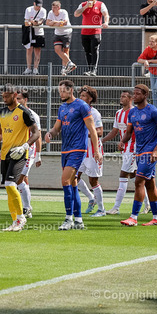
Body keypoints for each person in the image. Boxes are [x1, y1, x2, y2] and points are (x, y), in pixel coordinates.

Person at [44, 80, 102, 230]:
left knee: (65, 180)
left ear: (71, 91)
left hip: (78, 149)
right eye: (60, 91)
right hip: (65, 150)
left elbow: (92, 129)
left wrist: (96, 151)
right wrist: (50, 133)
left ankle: (68, 218)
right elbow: (57, 128)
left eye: (64, 91)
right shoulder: (62, 108)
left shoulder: (82, 106)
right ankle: (78, 220)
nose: (61, 93)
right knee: (73, 184)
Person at [0, 84, 40, 232]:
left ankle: (21, 217)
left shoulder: (24, 112)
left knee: (11, 184)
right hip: (5, 154)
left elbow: (36, 133)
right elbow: (0, 132)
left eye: (7, 96)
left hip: (19, 154)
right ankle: (15, 221)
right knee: (8, 186)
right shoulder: (2, 112)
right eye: (3, 96)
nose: (4, 99)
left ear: (15, 95)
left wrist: (25, 146)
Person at [119, 84, 157, 226]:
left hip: (150, 151)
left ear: (145, 95)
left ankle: (133, 217)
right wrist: (123, 141)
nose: (134, 96)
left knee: (138, 181)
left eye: (138, 94)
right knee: (149, 184)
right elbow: (129, 132)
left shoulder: (153, 111)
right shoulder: (132, 113)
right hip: (139, 151)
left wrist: (156, 149)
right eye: (134, 94)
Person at [101, 90, 150, 215]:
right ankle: (148, 204)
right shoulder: (118, 113)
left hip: (133, 148)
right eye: (121, 96)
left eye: (124, 96)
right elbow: (114, 132)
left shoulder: (134, 112)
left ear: (131, 98)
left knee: (123, 175)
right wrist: (101, 141)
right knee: (135, 177)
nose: (121, 98)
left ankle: (116, 207)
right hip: (125, 148)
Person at [75, 86, 106, 217]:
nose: (81, 98)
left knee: (93, 181)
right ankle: (91, 198)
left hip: (93, 151)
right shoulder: (77, 111)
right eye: (80, 95)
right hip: (80, 150)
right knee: (74, 177)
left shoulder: (94, 113)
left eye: (84, 96)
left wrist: (86, 132)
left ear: (90, 99)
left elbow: (100, 132)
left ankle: (101, 209)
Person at [13, 90, 43, 218]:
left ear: (26, 100)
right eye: (16, 98)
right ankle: (27, 206)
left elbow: (38, 136)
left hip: (28, 153)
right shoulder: (13, 114)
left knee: (19, 179)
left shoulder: (33, 115)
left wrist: (38, 155)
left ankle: (26, 208)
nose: (17, 101)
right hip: (16, 152)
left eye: (19, 98)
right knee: (23, 179)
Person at [74, 0, 110, 76]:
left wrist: (106, 22)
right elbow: (76, 14)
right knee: (87, 51)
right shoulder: (83, 4)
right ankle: (89, 69)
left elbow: (106, 14)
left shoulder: (100, 4)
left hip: (96, 31)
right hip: (85, 32)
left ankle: (94, 70)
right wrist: (85, 7)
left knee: (94, 49)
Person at [138, 34, 157, 109]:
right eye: (149, 41)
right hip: (153, 71)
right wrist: (145, 61)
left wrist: (149, 61)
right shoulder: (148, 48)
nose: (150, 43)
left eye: (152, 42)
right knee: (154, 92)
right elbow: (139, 59)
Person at [46, 0, 77, 76]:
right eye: (52, 7)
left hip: (66, 33)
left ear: (59, 8)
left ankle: (64, 69)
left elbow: (64, 23)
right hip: (57, 33)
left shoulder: (64, 12)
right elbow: (47, 23)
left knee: (65, 51)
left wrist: (53, 22)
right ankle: (70, 63)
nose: (53, 9)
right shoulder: (50, 13)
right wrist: (57, 23)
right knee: (57, 49)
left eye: (55, 8)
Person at [23, 0, 47, 75]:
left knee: (37, 51)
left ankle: (35, 69)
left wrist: (34, 23)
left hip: (39, 33)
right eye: (37, 6)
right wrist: (31, 23)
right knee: (29, 50)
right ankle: (28, 68)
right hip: (30, 32)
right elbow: (26, 22)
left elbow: (41, 22)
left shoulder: (43, 10)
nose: (38, 8)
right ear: (34, 4)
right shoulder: (28, 10)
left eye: (40, 6)